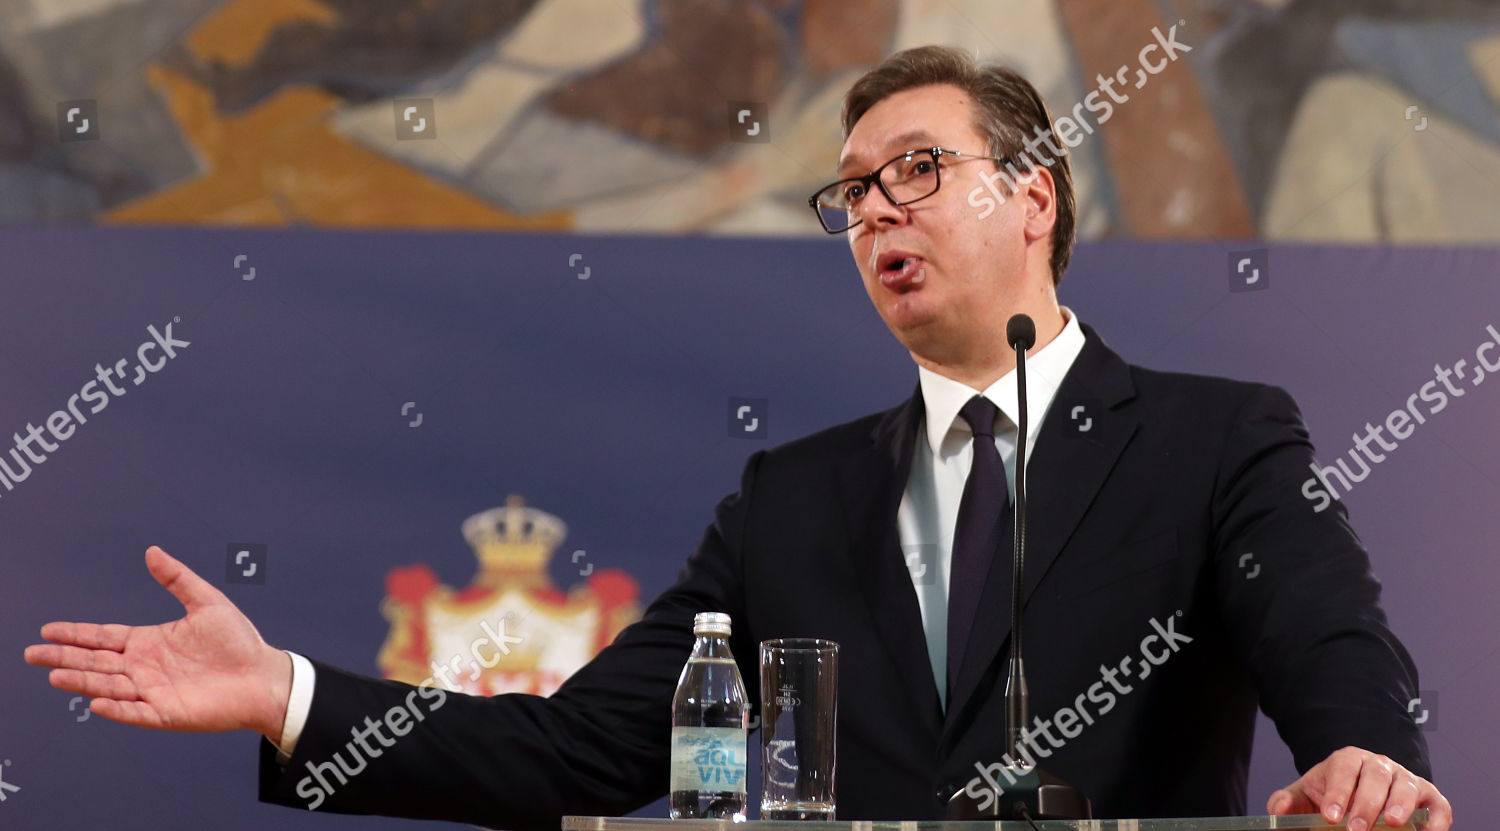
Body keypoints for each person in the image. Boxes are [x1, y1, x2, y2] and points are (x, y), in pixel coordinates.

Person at [25, 46, 1452, 831]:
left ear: (1036, 197)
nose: (878, 212)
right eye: (850, 197)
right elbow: (580, 753)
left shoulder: (1214, 441)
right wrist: (284, 690)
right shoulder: (797, 499)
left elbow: (1332, 642)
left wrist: (1370, 765)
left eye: (917, 171)